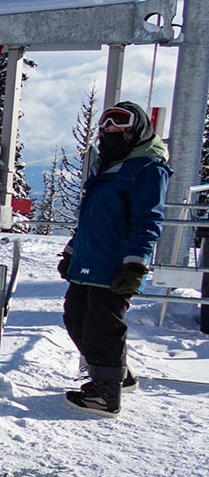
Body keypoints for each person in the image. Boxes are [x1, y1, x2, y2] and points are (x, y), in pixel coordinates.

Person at [58, 101, 170, 416]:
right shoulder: (106, 165)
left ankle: (105, 395)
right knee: (75, 316)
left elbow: (148, 219)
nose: (110, 128)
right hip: (90, 257)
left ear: (137, 128)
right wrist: (72, 251)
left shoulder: (148, 168)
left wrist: (135, 264)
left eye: (120, 121)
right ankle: (117, 374)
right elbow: (89, 218)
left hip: (115, 262)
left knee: (103, 324)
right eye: (106, 121)